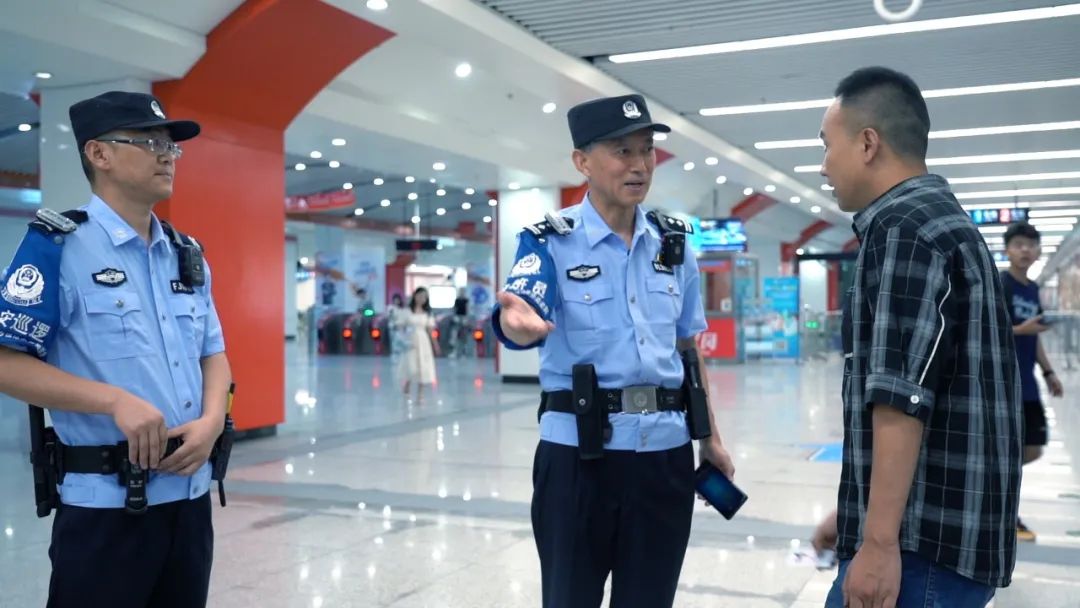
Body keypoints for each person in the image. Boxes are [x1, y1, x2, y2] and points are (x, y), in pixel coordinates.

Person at [492, 94, 735, 608]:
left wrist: (710, 437)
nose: (639, 164)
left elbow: (688, 348)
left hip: (665, 458)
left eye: (646, 150)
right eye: (622, 151)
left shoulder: (675, 246)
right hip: (579, 460)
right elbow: (519, 309)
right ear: (582, 162)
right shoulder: (548, 242)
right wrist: (517, 325)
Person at [0, 91, 231, 607]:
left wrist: (213, 419)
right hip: (105, 510)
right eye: (150, 143)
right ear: (99, 153)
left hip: (190, 503)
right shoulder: (56, 247)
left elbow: (213, 352)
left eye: (171, 146)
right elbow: (5, 362)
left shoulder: (186, 254)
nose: (167, 156)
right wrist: (114, 401)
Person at [819, 66, 1022, 608]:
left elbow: (902, 396)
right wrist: (854, 514)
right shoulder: (944, 222)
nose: (823, 166)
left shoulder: (903, 228)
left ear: (868, 144)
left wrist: (879, 542)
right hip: (946, 539)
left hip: (917, 552)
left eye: (827, 145)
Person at [1002, 221, 1064, 542]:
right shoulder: (1002, 285)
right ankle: (1006, 515)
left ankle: (999, 500)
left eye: (1030, 245)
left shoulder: (1032, 289)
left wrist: (1049, 372)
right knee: (1011, 451)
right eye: (1019, 244)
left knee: (1033, 448)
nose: (1025, 250)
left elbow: (1035, 335)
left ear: (1038, 251)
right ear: (1007, 250)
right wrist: (1020, 330)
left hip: (1027, 383)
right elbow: (989, 329)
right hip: (1005, 384)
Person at [398, 287, 438, 401]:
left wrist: (435, 344)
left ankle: (421, 394)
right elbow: (401, 326)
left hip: (423, 341)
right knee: (411, 365)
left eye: (424, 297)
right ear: (415, 296)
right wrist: (403, 338)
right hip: (410, 340)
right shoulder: (407, 311)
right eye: (420, 296)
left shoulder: (427, 313)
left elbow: (430, 330)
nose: (422, 299)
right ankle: (407, 385)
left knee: (423, 366)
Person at [451, 287, 470, 358]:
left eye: (463, 291)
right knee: (455, 335)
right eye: (461, 291)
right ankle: (454, 351)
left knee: (464, 336)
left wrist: (466, 318)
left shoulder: (466, 300)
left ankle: (463, 353)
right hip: (458, 317)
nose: (462, 292)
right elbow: (454, 309)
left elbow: (468, 309)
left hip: (464, 318)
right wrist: (454, 316)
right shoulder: (457, 300)